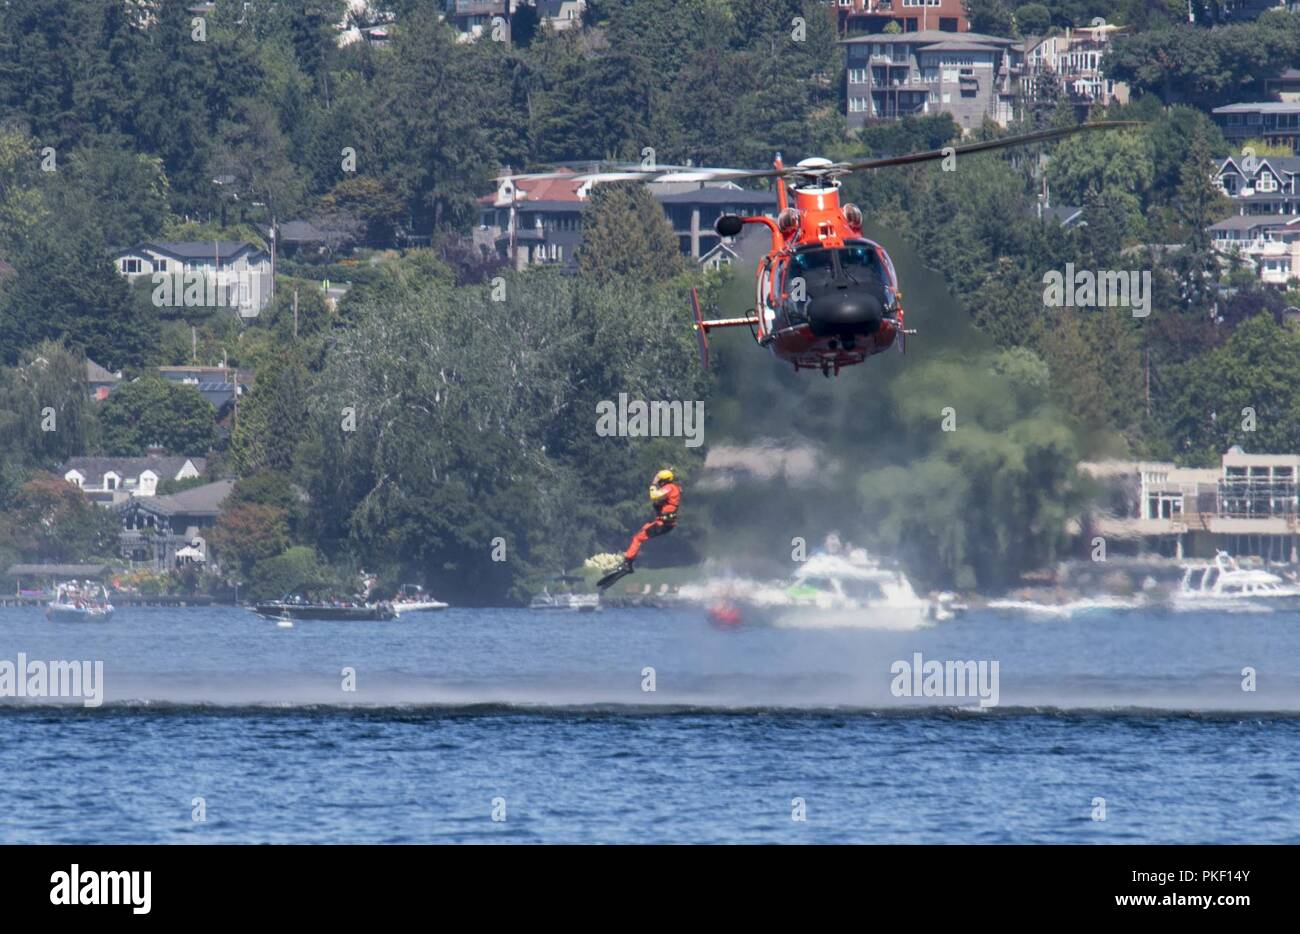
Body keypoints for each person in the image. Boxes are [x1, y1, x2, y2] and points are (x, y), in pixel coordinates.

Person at [609, 469, 680, 580]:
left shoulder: (669, 488)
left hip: (663, 524)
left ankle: (627, 564)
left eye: (660, 480)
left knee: (637, 538)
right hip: (664, 523)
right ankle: (628, 557)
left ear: (664, 481)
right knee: (643, 529)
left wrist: (653, 483)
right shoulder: (672, 488)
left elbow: (654, 496)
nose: (659, 482)